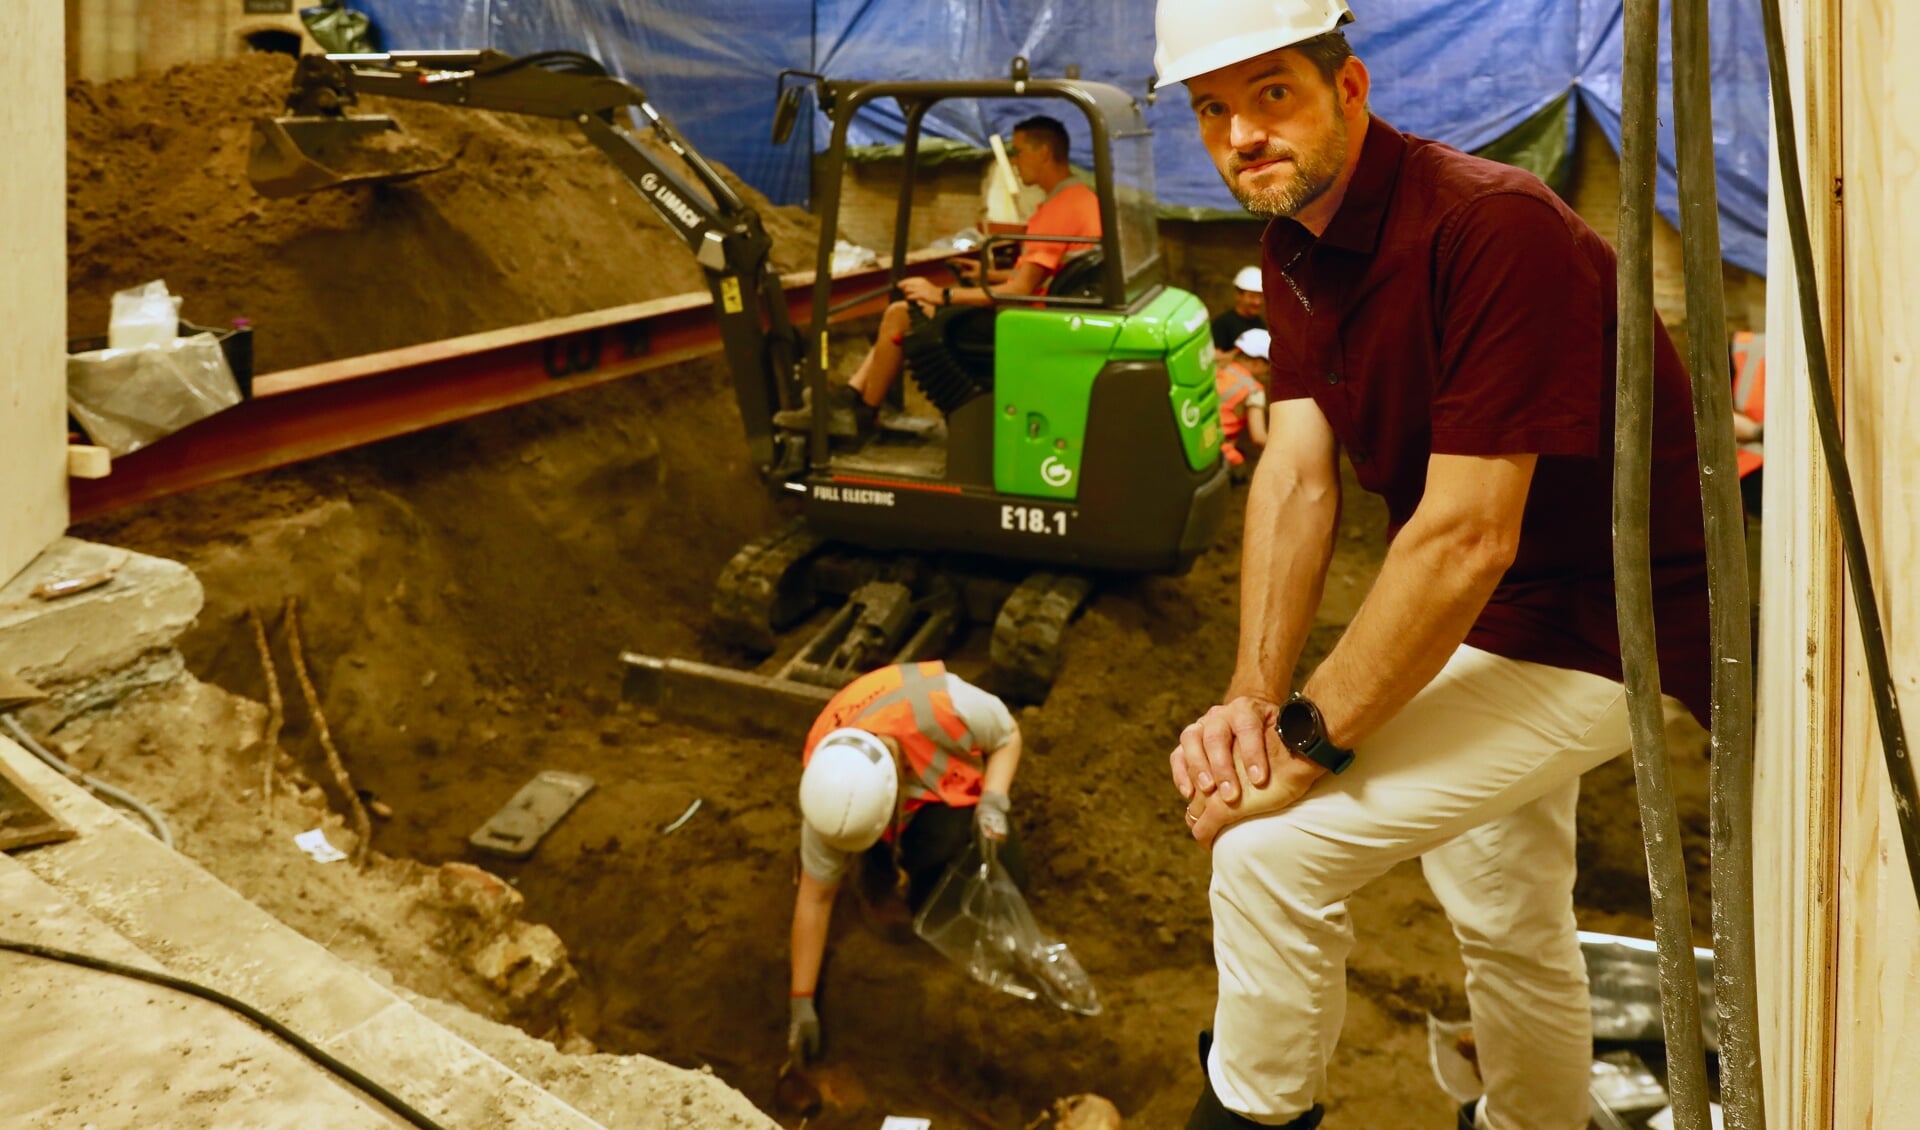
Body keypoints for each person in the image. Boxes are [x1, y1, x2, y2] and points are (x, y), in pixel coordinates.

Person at [1154, 3, 1710, 1128]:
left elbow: (1464, 533)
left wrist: (1307, 742)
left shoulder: (1488, 226)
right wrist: (1253, 697)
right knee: (1504, 905)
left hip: (1623, 625)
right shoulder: (1298, 246)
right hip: (1508, 614)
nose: (1240, 135)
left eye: (1272, 94)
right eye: (1213, 110)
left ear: (1349, 89)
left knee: (1266, 856)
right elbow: (1298, 475)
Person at [774, 115, 1102, 437]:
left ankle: (861, 413)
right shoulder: (1082, 201)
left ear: (1043, 152)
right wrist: (988, 274)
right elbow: (1041, 275)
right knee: (908, 312)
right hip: (1048, 317)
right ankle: (852, 398)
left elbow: (1021, 289)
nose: (1014, 161)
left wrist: (943, 295)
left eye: (1018, 151)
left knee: (901, 314)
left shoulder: (1058, 211)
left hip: (1026, 325)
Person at [785, 661, 1028, 1064]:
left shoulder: (950, 706)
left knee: (995, 864)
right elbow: (815, 898)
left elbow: (1008, 735)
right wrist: (800, 1000)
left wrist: (993, 803)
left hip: (944, 784)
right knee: (894, 873)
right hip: (879, 800)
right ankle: (881, 877)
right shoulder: (829, 789)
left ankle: (932, 884)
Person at [1217, 327, 1271, 476]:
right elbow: (1259, 437)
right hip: (1216, 447)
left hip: (1189, 438)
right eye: (1268, 365)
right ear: (1258, 362)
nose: (1268, 371)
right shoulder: (1253, 390)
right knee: (1241, 469)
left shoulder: (1218, 369)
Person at [1212, 265, 1268, 352]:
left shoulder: (1260, 324)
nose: (1257, 302)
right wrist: (1238, 355)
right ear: (1238, 295)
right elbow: (1215, 357)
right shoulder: (1222, 324)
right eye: (1252, 296)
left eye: (1261, 296)